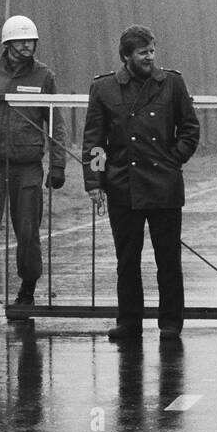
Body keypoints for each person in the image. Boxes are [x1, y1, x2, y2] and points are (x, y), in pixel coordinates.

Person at [83, 25, 199, 341]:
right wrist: (95, 182)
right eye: (142, 52)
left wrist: (174, 159)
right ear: (126, 56)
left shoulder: (172, 84)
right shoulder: (104, 89)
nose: (149, 57)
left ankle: (171, 323)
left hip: (164, 186)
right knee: (127, 260)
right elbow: (95, 141)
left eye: (151, 51)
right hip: (124, 185)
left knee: (168, 260)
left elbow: (190, 129)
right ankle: (129, 322)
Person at [0, 15, 66, 316]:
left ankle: (27, 293)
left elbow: (56, 122)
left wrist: (58, 165)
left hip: (27, 166)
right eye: (21, 41)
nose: (27, 46)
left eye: (31, 41)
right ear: (7, 43)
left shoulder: (45, 76)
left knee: (28, 232)